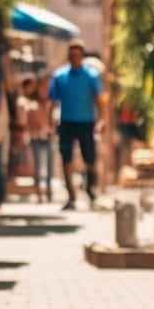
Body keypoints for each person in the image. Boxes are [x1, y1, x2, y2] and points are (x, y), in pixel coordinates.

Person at [48, 39, 104, 210]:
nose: (75, 58)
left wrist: (101, 120)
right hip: (66, 122)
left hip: (86, 122)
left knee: (90, 159)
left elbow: (99, 99)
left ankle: (89, 190)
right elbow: (53, 101)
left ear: (82, 56)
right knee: (66, 158)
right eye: (72, 55)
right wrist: (51, 122)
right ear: (69, 56)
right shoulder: (60, 76)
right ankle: (71, 195)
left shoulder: (92, 75)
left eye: (78, 55)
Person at [19, 76, 53, 203]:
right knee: (38, 166)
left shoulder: (49, 103)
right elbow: (27, 122)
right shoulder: (30, 104)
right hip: (36, 137)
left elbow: (51, 120)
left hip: (48, 137)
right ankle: (40, 191)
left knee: (50, 165)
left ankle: (48, 191)